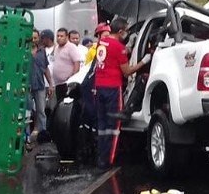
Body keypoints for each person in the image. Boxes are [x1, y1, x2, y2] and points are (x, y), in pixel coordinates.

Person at [93, 18, 151, 168]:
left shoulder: (102, 42)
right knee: (114, 126)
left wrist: (128, 49)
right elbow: (127, 72)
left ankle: (101, 157)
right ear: (120, 32)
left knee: (102, 125)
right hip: (112, 88)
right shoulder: (119, 48)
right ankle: (109, 160)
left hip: (99, 86)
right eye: (125, 31)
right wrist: (143, 62)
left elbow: (112, 57)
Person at [29, 30, 52, 141]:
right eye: (31, 37)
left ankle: (43, 135)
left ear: (38, 38)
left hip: (40, 86)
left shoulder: (42, 51)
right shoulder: (22, 50)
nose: (33, 40)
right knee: (26, 112)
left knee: (41, 111)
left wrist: (51, 84)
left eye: (35, 38)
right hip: (26, 87)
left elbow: (46, 68)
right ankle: (25, 136)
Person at [50, 28, 83, 97]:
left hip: (67, 84)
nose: (59, 38)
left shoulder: (71, 47)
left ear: (67, 37)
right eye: (58, 36)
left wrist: (72, 79)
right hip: (58, 84)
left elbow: (77, 63)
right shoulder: (56, 48)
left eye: (61, 36)